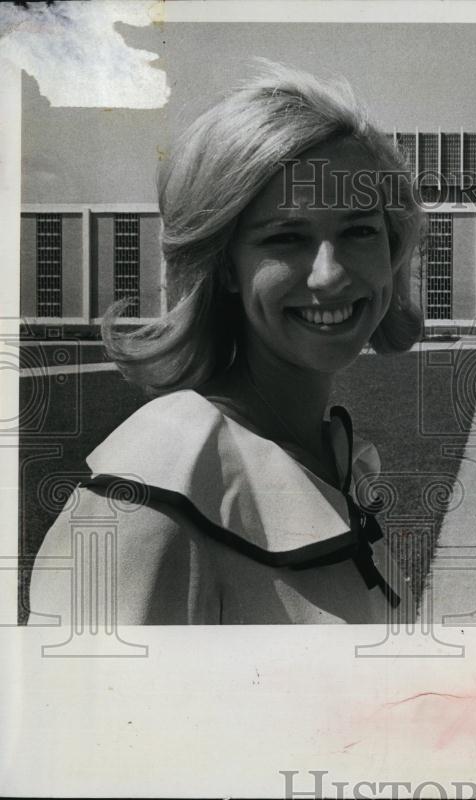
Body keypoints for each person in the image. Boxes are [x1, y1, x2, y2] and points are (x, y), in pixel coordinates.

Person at [28, 62, 423, 624]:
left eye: (360, 230)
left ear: (392, 248)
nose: (330, 276)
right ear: (225, 265)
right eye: (286, 237)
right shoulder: (145, 507)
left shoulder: (340, 462)